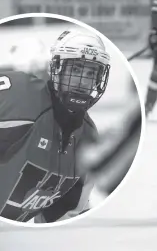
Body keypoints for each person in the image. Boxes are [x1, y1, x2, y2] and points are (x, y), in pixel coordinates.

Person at [0, 28, 111, 223]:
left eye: (91, 72)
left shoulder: (88, 139)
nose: (83, 81)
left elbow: (61, 219)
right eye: (76, 69)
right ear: (57, 69)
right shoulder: (18, 100)